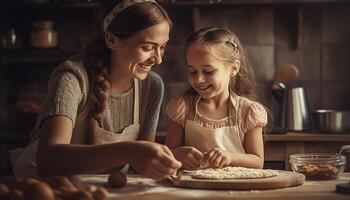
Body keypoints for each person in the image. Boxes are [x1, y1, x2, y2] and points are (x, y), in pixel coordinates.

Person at [11, 0, 181, 180]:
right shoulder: (72, 78)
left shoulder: (153, 86)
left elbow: (142, 164)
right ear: (111, 40)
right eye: (147, 47)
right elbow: (48, 161)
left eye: (162, 47)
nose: (158, 59)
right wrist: (129, 151)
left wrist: (173, 156)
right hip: (40, 186)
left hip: (98, 189)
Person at [165, 27, 267, 170]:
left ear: (233, 68)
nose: (199, 79)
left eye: (208, 71)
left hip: (237, 189)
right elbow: (166, 155)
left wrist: (231, 156)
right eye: (192, 71)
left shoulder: (248, 112)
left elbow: (257, 162)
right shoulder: (182, 109)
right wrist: (177, 155)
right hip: (194, 189)